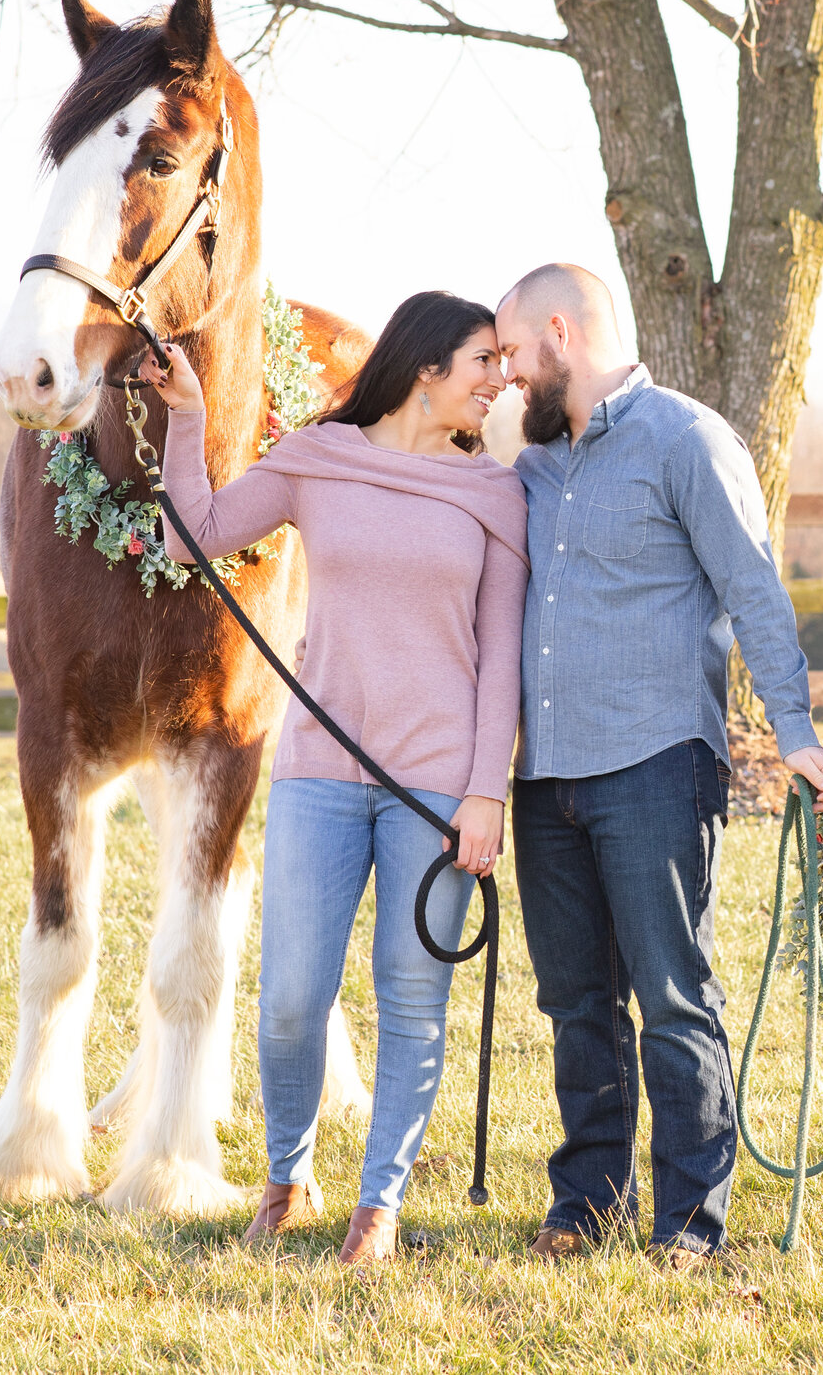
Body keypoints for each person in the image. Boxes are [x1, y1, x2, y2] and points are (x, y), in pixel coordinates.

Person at [140, 291, 528, 1265]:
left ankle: (378, 1205)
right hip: (319, 774)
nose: (500, 379)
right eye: (484, 360)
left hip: (437, 791)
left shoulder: (494, 494)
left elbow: (502, 655)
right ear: (427, 365)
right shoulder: (320, 457)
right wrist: (187, 417)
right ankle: (287, 1177)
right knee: (290, 996)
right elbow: (198, 535)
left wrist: (487, 791)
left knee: (410, 995)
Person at [492, 262, 823, 1268]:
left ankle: (691, 1222)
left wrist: (795, 729)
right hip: (544, 774)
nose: (511, 375)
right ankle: (588, 1200)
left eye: (515, 352)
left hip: (653, 763)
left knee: (672, 992)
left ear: (562, 330)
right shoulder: (531, 467)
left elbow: (755, 590)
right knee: (573, 1002)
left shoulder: (687, 439)